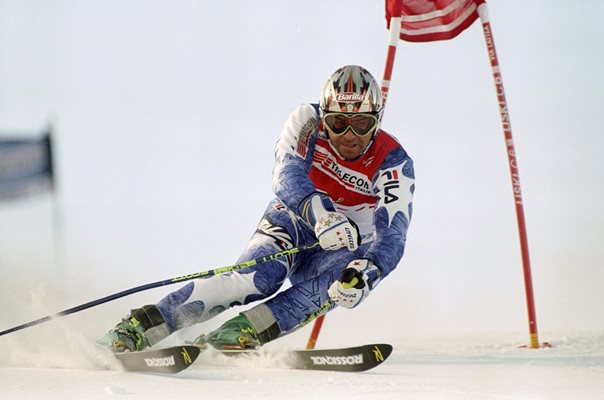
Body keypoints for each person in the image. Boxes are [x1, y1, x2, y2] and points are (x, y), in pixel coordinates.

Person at [99, 65, 415, 352]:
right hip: (292, 222)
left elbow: (393, 234)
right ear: (324, 117)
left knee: (339, 281)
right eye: (338, 123)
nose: (349, 135)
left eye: (361, 124)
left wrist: (368, 273)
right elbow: (286, 174)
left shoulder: (394, 161)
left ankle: (241, 333)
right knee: (256, 278)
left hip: (340, 247)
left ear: (377, 121)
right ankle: (139, 327)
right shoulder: (307, 120)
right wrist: (322, 216)